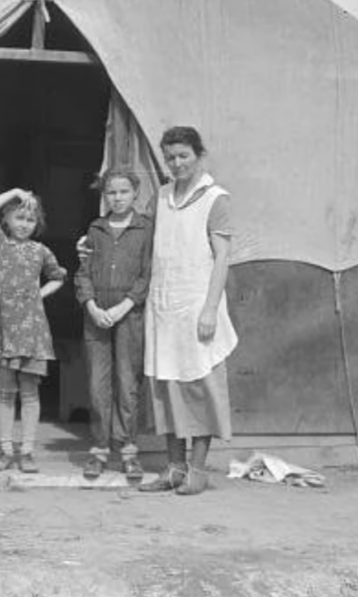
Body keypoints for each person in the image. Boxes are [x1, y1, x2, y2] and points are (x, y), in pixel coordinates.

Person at [138, 126, 238, 496]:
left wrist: (210, 309)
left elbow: (223, 257)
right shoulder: (162, 196)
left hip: (197, 305)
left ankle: (198, 470)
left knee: (200, 389)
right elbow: (146, 242)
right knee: (167, 388)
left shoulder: (215, 199)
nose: (176, 163)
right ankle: (174, 469)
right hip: (164, 306)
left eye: (183, 156)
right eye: (170, 157)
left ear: (200, 155)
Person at [0, 187, 66, 473]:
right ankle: (5, 450)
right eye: (18, 217)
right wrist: (15, 192)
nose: (24, 224)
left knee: (29, 392)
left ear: (37, 224)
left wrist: (39, 295)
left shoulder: (40, 251)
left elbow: (58, 276)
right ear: (7, 220)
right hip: (2, 329)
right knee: (5, 392)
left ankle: (26, 451)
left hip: (31, 331)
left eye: (30, 219)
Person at [73, 168, 153, 482]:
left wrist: (124, 306)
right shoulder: (96, 229)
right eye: (111, 193)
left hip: (129, 314)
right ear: (103, 195)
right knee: (97, 384)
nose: (117, 198)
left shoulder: (145, 229)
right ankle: (99, 450)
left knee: (127, 383)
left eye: (123, 192)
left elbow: (148, 274)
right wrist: (91, 306)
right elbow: (83, 272)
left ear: (135, 194)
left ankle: (129, 451)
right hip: (97, 317)